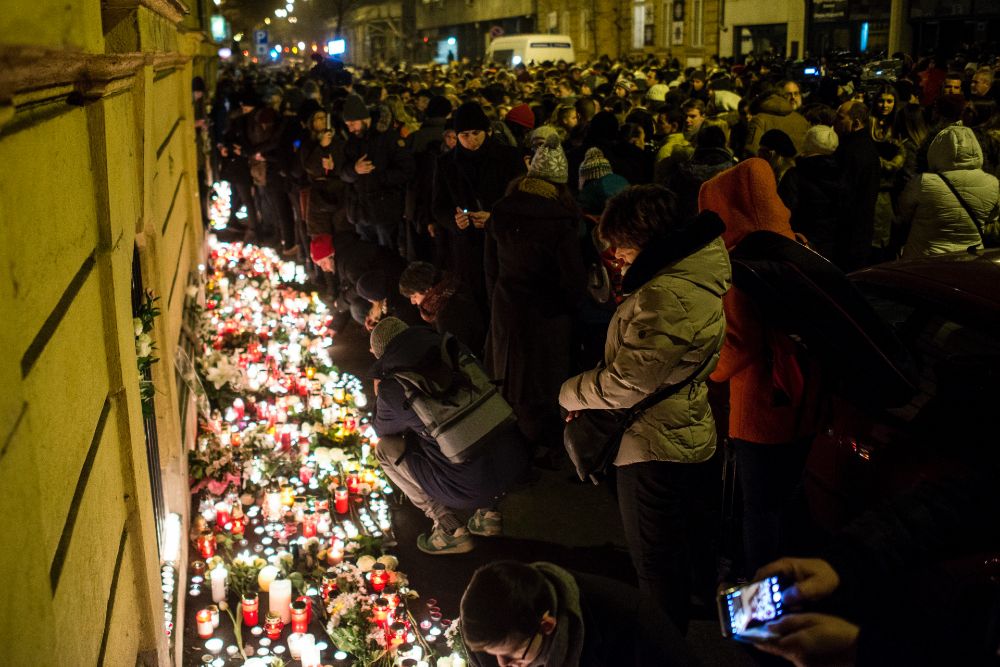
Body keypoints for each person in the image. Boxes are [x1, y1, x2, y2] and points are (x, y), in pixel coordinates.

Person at [559, 185, 731, 631]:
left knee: (654, 562)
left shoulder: (667, 294)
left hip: (653, 444)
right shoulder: (692, 274)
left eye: (622, 247)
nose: (617, 257)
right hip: (686, 426)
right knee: (686, 544)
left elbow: (629, 381)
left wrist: (571, 391)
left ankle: (663, 643)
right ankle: (686, 613)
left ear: (646, 239)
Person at [700, 158, 823, 577]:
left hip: (759, 406)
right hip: (803, 396)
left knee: (759, 510)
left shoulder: (742, 266)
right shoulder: (798, 246)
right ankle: (800, 585)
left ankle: (763, 606)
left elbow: (738, 343)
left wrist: (710, 372)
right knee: (789, 499)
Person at [369, 318, 531, 554]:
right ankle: (488, 514)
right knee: (473, 429)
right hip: (515, 464)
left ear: (382, 355)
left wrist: (381, 397)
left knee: (384, 449)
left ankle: (448, 528)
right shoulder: (454, 349)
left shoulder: (393, 386)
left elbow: (384, 431)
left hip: (467, 488)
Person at [486, 132, 587, 465]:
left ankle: (513, 437)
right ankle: (544, 440)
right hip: (548, 314)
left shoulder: (502, 211)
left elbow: (489, 265)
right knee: (545, 378)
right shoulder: (561, 222)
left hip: (507, 306)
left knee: (511, 372)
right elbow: (572, 280)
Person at [460, 561, 700, 667]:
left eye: (513, 658)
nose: (502, 665)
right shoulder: (484, 629)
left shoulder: (635, 623)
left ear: (547, 625)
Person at [432, 102, 526, 317]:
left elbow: (522, 201)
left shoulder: (509, 157)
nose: (471, 140)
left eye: (476, 133)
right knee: (476, 302)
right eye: (465, 135)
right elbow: (438, 206)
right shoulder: (446, 164)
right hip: (468, 246)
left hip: (504, 242)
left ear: (487, 131)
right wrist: (454, 220)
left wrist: (495, 218)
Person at [899, 124, 1000, 257]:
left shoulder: (923, 182)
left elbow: (904, 212)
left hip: (925, 259)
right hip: (969, 259)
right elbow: (992, 217)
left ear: (938, 150)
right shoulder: (993, 183)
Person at [341, 94, 416, 251]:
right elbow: (342, 173)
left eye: (353, 124)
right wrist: (354, 170)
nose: (350, 129)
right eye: (347, 125)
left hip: (384, 211)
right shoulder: (352, 141)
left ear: (364, 118)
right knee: (367, 256)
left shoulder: (388, 138)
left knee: (387, 255)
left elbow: (406, 170)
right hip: (360, 213)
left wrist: (379, 178)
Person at [778, 125, 848, 261]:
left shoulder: (796, 174)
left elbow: (785, 209)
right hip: (833, 244)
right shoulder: (842, 173)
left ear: (807, 143)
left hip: (801, 243)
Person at [397, 260, 485, 354]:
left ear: (426, 289)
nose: (413, 302)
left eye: (414, 296)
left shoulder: (446, 314)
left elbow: (456, 355)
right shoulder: (452, 287)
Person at [833, 99, 880, 271]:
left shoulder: (853, 151)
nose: (835, 122)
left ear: (856, 123)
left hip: (850, 232)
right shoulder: (862, 146)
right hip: (859, 229)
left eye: (840, 118)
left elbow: (845, 192)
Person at [746, 83, 810, 156]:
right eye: (789, 94)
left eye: (796, 93)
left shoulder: (758, 120)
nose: (793, 97)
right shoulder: (801, 120)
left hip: (770, 166)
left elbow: (751, 152)